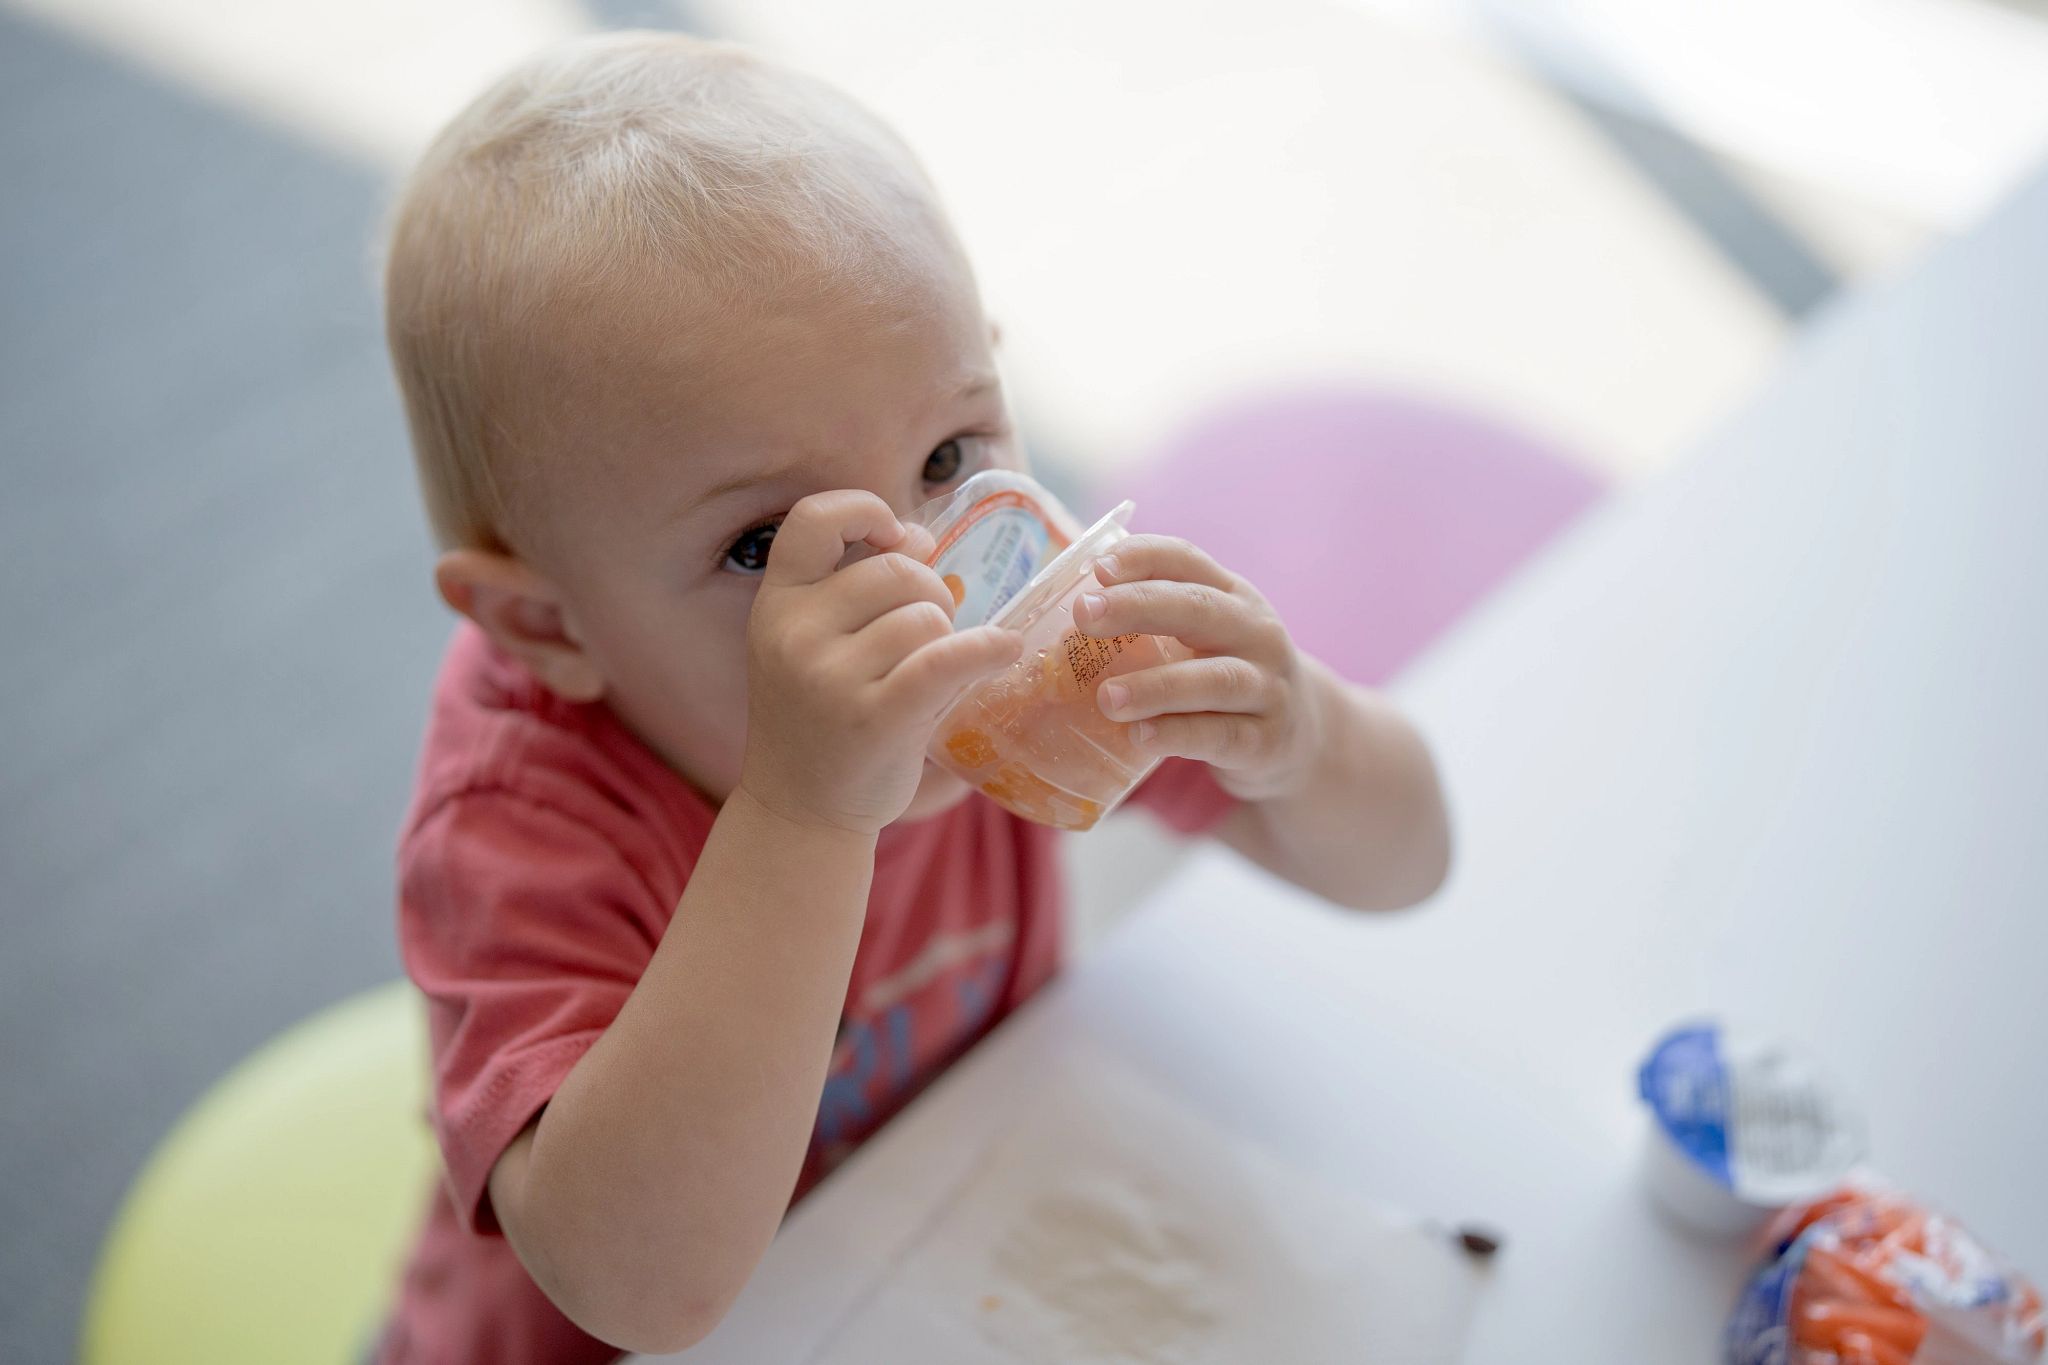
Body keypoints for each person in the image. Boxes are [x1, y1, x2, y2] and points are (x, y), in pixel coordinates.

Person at [371, 30, 1451, 1362]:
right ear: (549, 624)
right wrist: (802, 814)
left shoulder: (1029, 639)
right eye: (764, 545)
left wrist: (1303, 733)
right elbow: (642, 1290)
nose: (924, 582)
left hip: (957, 1242)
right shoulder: (521, 821)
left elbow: (1409, 862)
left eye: (949, 453)